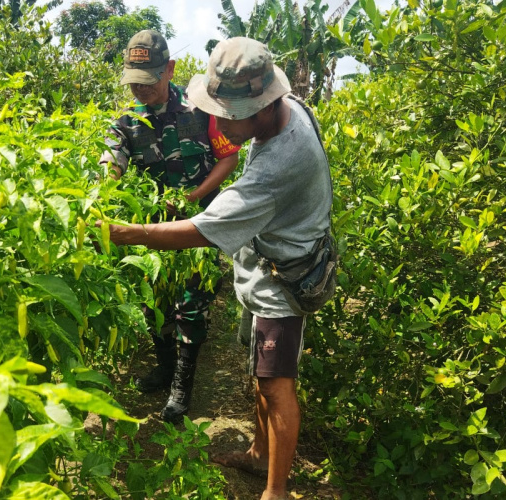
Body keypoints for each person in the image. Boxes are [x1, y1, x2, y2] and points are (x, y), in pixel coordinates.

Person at [104, 37, 333, 500]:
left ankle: (275, 492)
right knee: (260, 375)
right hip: (266, 267)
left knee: (276, 383)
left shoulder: (280, 163)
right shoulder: (287, 108)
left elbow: (205, 229)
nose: (223, 121)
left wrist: (124, 232)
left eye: (231, 112)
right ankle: (258, 453)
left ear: (262, 106)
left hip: (283, 280)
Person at [99, 30, 241, 424]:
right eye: (133, 82)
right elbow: (111, 164)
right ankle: (164, 368)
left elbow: (228, 160)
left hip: (197, 229)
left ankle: (182, 384)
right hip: (149, 234)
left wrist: (193, 198)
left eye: (147, 82)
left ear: (170, 70)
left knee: (191, 308)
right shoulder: (127, 123)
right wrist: (102, 186)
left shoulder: (202, 111)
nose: (139, 91)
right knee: (153, 304)